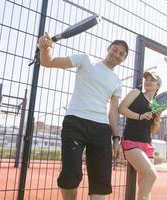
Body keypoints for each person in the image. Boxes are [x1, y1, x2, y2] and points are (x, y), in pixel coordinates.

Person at [38, 32, 128, 200]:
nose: (116, 54)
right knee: (70, 175)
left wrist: (116, 138)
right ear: (108, 48)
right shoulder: (86, 60)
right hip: (75, 123)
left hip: (101, 129)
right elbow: (47, 62)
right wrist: (45, 47)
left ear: (124, 59)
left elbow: (113, 112)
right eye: (115, 50)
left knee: (101, 181)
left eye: (121, 54)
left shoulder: (117, 81)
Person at [119, 71, 162, 200]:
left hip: (148, 144)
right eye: (146, 79)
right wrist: (139, 116)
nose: (147, 81)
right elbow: (121, 108)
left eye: (152, 80)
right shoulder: (136, 93)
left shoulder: (156, 105)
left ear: (158, 85)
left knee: (144, 185)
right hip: (131, 142)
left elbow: (153, 130)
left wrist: (158, 119)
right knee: (152, 175)